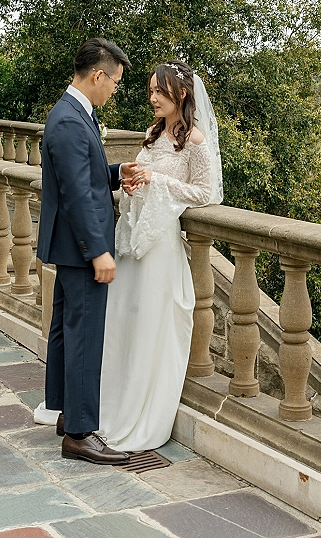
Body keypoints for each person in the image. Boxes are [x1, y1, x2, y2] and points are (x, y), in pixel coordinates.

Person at [98, 60, 223, 451]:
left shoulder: (195, 142)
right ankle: (110, 407)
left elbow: (207, 193)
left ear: (181, 94)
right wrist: (132, 184)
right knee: (125, 322)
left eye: (159, 92)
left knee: (153, 322)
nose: (152, 98)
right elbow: (138, 179)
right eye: (150, 90)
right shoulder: (152, 134)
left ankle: (143, 413)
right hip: (135, 240)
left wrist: (159, 179)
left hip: (162, 247)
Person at [35, 38, 139, 465]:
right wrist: (99, 251)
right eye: (114, 81)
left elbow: (85, 177)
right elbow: (77, 194)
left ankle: (65, 411)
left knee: (65, 330)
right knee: (84, 337)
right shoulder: (70, 122)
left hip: (68, 245)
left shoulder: (74, 115)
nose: (114, 89)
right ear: (98, 75)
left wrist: (116, 173)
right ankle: (80, 434)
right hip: (80, 249)